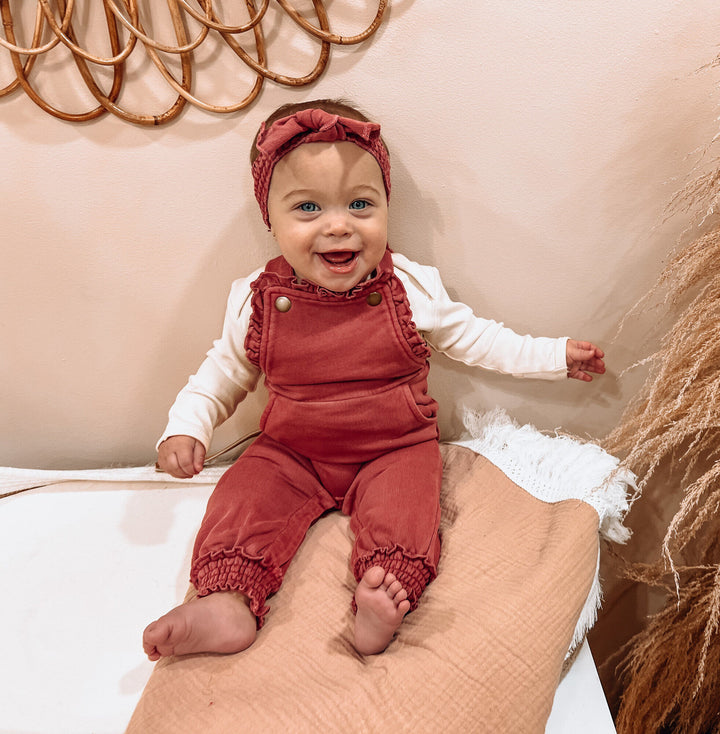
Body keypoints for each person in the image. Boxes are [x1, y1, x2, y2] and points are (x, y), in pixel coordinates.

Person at [142, 99, 606, 660]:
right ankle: (227, 600)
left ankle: (382, 593)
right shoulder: (256, 300)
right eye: (308, 208)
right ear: (272, 218)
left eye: (361, 204)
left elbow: (479, 338)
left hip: (394, 447)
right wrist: (187, 426)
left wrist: (553, 355)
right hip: (292, 450)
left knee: (409, 509)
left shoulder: (408, 287)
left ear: (387, 206)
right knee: (243, 494)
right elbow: (223, 371)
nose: (339, 225)